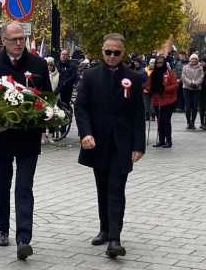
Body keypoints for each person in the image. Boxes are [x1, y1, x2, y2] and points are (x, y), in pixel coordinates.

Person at [0, 22, 52, 261]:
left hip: (28, 138)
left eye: (22, 38)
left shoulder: (38, 64)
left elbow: (48, 100)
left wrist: (45, 117)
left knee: (24, 187)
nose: (19, 43)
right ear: (4, 41)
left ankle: (24, 238)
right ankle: (2, 229)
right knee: (2, 183)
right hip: (1, 137)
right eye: (14, 39)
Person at [74, 33, 145, 258]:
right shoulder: (91, 76)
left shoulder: (132, 78)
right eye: (108, 52)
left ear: (122, 53)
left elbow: (138, 114)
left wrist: (138, 145)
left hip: (122, 144)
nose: (112, 56)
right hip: (98, 142)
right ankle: (104, 229)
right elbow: (81, 107)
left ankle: (115, 238)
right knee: (102, 187)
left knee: (116, 189)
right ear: (102, 51)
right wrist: (85, 133)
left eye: (116, 52)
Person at [147, 56, 178, 148]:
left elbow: (175, 85)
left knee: (166, 120)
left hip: (169, 101)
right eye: (157, 63)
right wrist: (150, 89)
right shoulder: (153, 73)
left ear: (164, 63)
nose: (159, 64)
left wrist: (164, 89)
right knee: (159, 121)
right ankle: (161, 140)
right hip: (157, 100)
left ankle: (168, 141)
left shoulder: (170, 73)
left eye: (160, 63)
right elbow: (148, 85)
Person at [182, 54, 204, 129]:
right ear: (190, 60)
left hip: (196, 89)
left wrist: (196, 83)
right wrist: (190, 83)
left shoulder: (200, 68)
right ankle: (188, 122)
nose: (193, 60)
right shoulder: (185, 67)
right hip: (187, 88)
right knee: (187, 106)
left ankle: (193, 122)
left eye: (195, 59)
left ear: (197, 60)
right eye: (192, 59)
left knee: (195, 107)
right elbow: (183, 77)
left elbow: (201, 77)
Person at [199, 56, 206, 130]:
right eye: (202, 61)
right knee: (201, 108)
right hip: (200, 91)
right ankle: (202, 123)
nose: (202, 63)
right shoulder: (200, 69)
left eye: (203, 62)